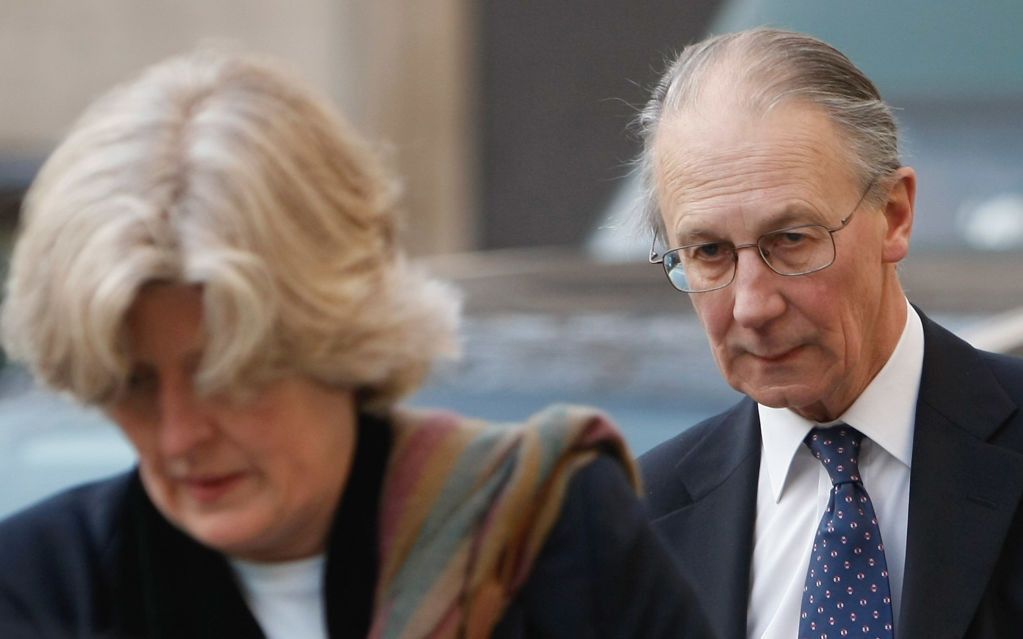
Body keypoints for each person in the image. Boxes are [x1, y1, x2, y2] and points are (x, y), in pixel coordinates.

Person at [0, 49, 714, 639]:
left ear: (338, 335)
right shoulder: (39, 587)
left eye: (225, 374)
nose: (180, 435)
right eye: (134, 384)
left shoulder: (547, 534)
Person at [635, 27, 1023, 639]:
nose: (752, 307)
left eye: (792, 239)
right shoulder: (632, 527)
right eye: (708, 252)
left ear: (894, 215)